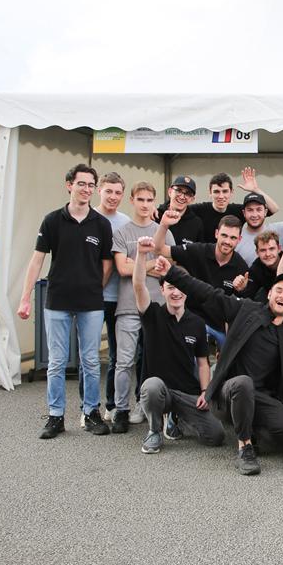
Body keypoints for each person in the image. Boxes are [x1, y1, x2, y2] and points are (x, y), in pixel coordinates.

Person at [152, 256, 283, 475]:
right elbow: (208, 293)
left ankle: (249, 430)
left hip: (260, 397)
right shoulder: (246, 310)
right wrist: (172, 273)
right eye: (279, 290)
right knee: (244, 383)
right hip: (229, 391)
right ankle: (244, 447)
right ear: (269, 294)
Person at [18, 163, 114, 439]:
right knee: (57, 362)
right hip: (57, 301)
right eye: (81, 183)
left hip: (91, 304)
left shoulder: (101, 224)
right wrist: (25, 299)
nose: (86, 189)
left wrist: (95, 288)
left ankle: (91, 413)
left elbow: (107, 264)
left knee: (91, 361)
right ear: (69, 185)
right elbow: (37, 260)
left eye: (90, 185)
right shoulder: (52, 221)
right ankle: (56, 416)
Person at [133, 237, 224, 453]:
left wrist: (205, 392)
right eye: (170, 287)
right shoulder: (152, 314)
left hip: (186, 394)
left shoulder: (197, 323)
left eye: (180, 287)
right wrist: (141, 254)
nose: (176, 292)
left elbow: (203, 363)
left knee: (216, 435)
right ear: (162, 290)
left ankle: (176, 417)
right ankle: (154, 430)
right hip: (160, 391)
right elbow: (138, 285)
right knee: (151, 386)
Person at [111, 181, 173, 432]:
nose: (145, 204)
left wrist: (136, 263)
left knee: (154, 360)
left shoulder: (163, 231)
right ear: (132, 200)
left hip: (157, 305)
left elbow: (168, 267)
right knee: (124, 361)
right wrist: (150, 263)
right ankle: (120, 410)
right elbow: (122, 269)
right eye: (140, 199)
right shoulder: (122, 233)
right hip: (128, 305)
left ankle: (145, 406)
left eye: (149, 200)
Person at [154, 212, 249, 349]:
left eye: (233, 237)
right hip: (190, 322)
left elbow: (237, 310)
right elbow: (159, 249)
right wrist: (164, 225)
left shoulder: (241, 267)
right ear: (216, 234)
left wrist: (241, 290)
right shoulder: (198, 251)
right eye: (224, 235)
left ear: (239, 239)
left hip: (218, 328)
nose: (228, 241)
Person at [93, 172, 130, 419]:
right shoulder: (88, 218)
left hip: (119, 298)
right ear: (99, 191)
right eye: (109, 191)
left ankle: (111, 405)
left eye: (118, 192)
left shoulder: (126, 222)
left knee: (116, 356)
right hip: (93, 298)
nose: (113, 197)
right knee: (89, 356)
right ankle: (88, 408)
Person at [189, 168, 280, 243]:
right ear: (210, 192)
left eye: (225, 191)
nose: (221, 196)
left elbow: (274, 209)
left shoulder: (238, 211)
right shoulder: (199, 209)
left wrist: (255, 189)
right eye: (216, 192)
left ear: (231, 192)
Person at [233, 175, 283, 264]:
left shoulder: (277, 230)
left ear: (265, 212)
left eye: (259, 209)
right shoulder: (236, 238)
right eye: (250, 210)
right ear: (244, 213)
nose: (254, 214)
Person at [234, 231, 282, 302]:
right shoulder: (256, 268)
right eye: (263, 250)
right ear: (257, 252)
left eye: (271, 249)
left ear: (279, 249)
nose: (268, 254)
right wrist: (242, 290)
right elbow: (249, 297)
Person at [158, 175, 204, 245]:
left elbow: (198, 250)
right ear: (170, 192)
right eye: (179, 190)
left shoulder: (196, 224)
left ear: (192, 199)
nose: (182, 197)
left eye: (188, 194)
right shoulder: (156, 216)